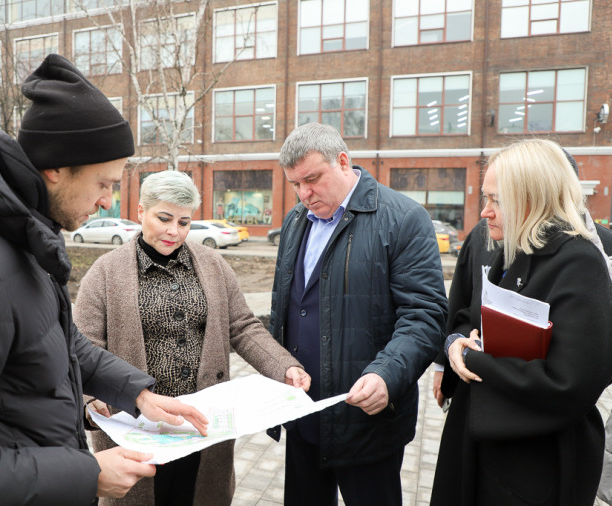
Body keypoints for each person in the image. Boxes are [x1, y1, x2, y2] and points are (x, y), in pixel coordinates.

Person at [0, 54, 209, 505]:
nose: (108, 202)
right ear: (56, 169)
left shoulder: (21, 236)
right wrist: (88, 474)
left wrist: (138, 394)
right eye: (103, 183)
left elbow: (58, 340)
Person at [74, 169, 311, 506]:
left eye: (184, 222)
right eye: (164, 218)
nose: (174, 231)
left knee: (198, 495)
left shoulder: (213, 265)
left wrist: (283, 367)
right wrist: (89, 400)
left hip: (201, 427)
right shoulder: (105, 272)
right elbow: (84, 347)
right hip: (136, 427)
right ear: (141, 211)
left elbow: (243, 326)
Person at [268, 122, 448, 506]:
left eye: (312, 179)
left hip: (366, 420)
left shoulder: (403, 218)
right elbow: (286, 305)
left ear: (343, 161)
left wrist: (387, 374)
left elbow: (424, 315)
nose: (304, 194)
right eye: (295, 184)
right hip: (303, 413)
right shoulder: (295, 220)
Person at [431, 138, 612, 506]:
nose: (485, 212)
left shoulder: (579, 264)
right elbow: (469, 316)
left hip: (532, 463)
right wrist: (455, 344)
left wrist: (473, 358)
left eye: (496, 200)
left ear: (533, 199)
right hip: (479, 441)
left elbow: (571, 381)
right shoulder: (514, 249)